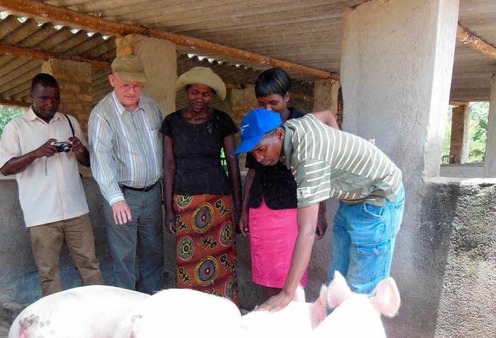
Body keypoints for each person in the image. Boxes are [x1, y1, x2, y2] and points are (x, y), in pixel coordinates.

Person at [234, 108, 404, 311]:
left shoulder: (308, 158)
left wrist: (287, 294)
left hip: (377, 200)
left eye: (261, 149)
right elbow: (325, 114)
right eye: (253, 152)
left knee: (362, 293)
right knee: (336, 287)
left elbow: (307, 230)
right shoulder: (295, 127)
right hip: (352, 198)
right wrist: (339, 150)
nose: (259, 158)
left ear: (279, 135)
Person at [0, 73, 104, 296]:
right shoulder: (16, 127)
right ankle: (55, 322)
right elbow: (6, 167)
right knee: (49, 272)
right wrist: (36, 153)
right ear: (31, 96)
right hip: (41, 214)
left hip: (76, 209)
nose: (50, 104)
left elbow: (88, 162)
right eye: (44, 99)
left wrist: (80, 150)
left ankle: (100, 314)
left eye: (55, 99)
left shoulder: (69, 121)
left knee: (90, 265)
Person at [239, 67, 327, 301]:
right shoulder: (257, 124)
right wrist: (246, 209)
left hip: (294, 209)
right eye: (262, 103)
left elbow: (319, 173)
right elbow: (253, 172)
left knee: (291, 277)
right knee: (266, 275)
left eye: (273, 102)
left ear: (287, 97)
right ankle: (270, 322)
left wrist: (321, 212)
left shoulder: (304, 125)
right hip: (261, 208)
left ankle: (291, 324)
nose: (267, 109)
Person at [161, 67, 242, 305]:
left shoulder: (222, 121)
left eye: (206, 94)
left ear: (212, 96)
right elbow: (168, 167)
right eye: (195, 92)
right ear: (187, 91)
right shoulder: (172, 123)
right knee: (188, 262)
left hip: (219, 202)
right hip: (184, 201)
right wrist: (168, 209)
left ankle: (225, 311)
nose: (200, 98)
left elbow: (233, 165)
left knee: (223, 261)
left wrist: (237, 208)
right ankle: (191, 313)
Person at [88, 55, 164, 294]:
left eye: (137, 86)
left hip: (152, 193)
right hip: (122, 196)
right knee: (124, 257)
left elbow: (162, 147)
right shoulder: (102, 114)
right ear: (112, 80)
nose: (131, 92)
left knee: (154, 253)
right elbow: (101, 159)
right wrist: (115, 198)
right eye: (125, 86)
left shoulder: (151, 107)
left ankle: (149, 305)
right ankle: (126, 312)